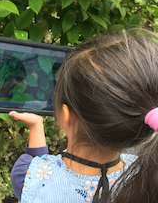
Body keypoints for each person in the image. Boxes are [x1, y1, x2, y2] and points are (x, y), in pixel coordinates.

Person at [9, 29, 158, 203]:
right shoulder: (146, 174)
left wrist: (35, 128)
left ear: (65, 115)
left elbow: (38, 172)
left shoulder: (27, 176)